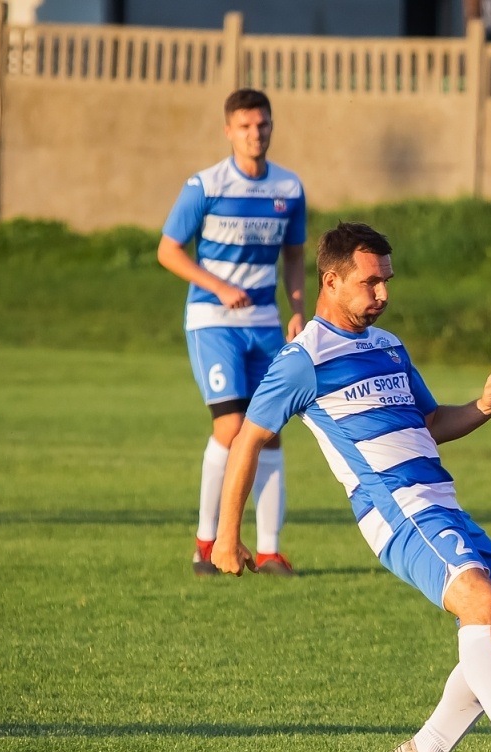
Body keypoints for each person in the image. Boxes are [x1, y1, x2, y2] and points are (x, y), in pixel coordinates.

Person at [212, 222, 491, 752]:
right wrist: (227, 536)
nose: (383, 293)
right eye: (370, 282)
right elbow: (247, 440)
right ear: (331, 282)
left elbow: (432, 425)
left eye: (387, 280)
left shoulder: (388, 347)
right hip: (396, 511)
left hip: (443, 504)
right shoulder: (302, 359)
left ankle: (424, 751)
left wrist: (485, 406)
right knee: (485, 607)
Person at [159, 88, 306, 578]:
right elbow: (169, 250)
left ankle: (267, 551)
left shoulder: (288, 188)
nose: (255, 133)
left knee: (269, 435)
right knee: (230, 428)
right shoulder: (204, 185)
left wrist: (299, 311)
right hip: (212, 321)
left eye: (262, 125)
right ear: (228, 131)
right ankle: (207, 542)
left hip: (264, 323)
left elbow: (295, 256)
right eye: (244, 126)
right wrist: (218, 287)